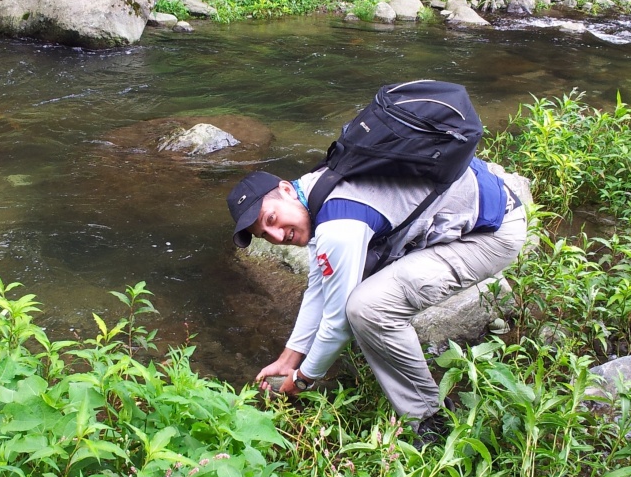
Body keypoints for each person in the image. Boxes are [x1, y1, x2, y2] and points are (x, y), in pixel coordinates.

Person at [226, 156, 527, 445]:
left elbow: (338, 323)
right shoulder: (318, 188)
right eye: (265, 235)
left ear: (286, 190)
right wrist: (288, 358)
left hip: (493, 233)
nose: (277, 236)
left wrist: (304, 378)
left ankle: (431, 419)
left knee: (368, 308)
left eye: (272, 219)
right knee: (359, 295)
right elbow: (319, 286)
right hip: (484, 200)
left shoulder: (337, 226)